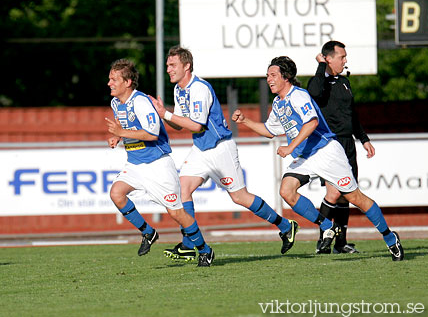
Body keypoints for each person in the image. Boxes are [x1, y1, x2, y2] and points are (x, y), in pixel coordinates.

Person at [231, 56, 403, 261]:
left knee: (355, 198)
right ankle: (328, 226)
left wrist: (290, 147)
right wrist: (245, 121)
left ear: (286, 77)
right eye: (268, 75)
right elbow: (269, 130)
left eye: (273, 75)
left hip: (326, 153)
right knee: (286, 191)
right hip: (307, 156)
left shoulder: (299, 96)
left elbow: (311, 123)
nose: (269, 79)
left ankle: (390, 238)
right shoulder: (278, 103)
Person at [149, 46, 299, 259]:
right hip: (201, 149)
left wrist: (167, 114)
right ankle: (190, 243)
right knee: (182, 190)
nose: (168, 70)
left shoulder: (199, 88)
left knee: (240, 197)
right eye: (167, 66)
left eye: (173, 65)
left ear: (187, 66)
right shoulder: (179, 90)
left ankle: (285, 226)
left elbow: (197, 125)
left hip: (220, 149)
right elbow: (182, 125)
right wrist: (164, 116)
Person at [105, 58, 214, 267]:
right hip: (135, 164)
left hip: (157, 165)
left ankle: (205, 250)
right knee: (116, 193)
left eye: (114, 79)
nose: (109, 83)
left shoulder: (140, 101)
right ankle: (148, 232)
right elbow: (123, 126)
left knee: (176, 213)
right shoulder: (115, 103)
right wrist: (117, 137)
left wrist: (121, 132)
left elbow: (153, 133)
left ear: (127, 82)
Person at [307, 40, 375, 254]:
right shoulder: (319, 81)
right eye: (341, 57)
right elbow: (314, 94)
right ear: (328, 58)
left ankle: (340, 242)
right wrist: (320, 65)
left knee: (346, 193)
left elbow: (352, 114)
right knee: (334, 192)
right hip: (329, 145)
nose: (345, 60)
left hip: (348, 143)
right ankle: (323, 240)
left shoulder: (345, 82)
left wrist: (363, 138)